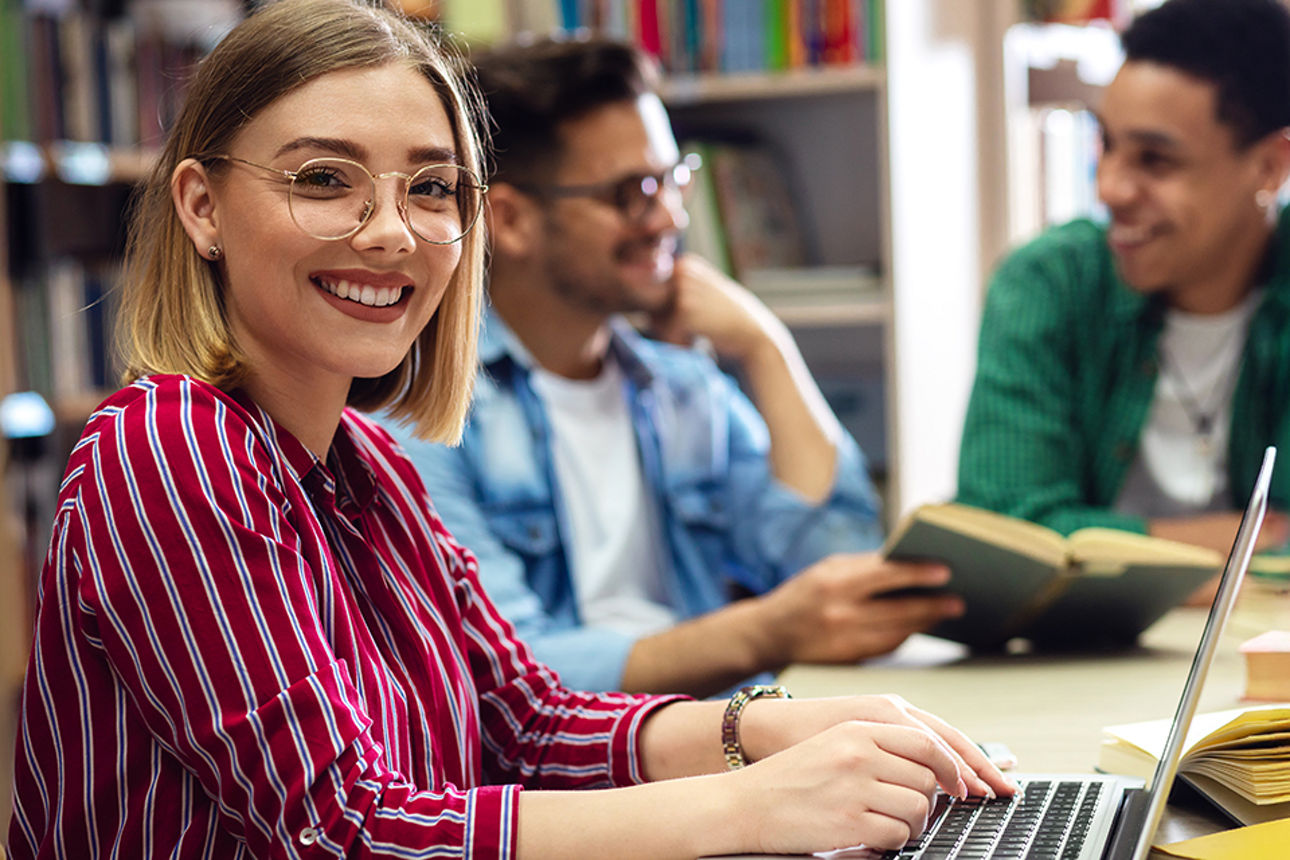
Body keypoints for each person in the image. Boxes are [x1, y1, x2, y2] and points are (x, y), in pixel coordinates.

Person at [5, 2, 1013, 857]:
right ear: (202, 206)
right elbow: (343, 826)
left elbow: (526, 722)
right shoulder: (168, 443)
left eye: (433, 186)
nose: (392, 229)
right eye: (324, 179)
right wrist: (752, 802)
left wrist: (776, 725)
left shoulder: (364, 461)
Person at [382, 36, 964, 699]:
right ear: (510, 219)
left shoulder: (682, 386)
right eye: (633, 192)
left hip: (723, 739)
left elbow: (833, 570)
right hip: (579, 777)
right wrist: (765, 632)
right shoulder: (420, 416)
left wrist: (767, 348)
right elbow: (508, 674)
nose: (671, 216)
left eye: (671, 179)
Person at [958, 0, 1290, 597]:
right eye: (1105, 143)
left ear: (1270, 165)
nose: (1108, 186)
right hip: (1068, 665)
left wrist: (1093, 549)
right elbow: (1002, 536)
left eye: (1155, 160)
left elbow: (1045, 546)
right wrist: (1235, 543)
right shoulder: (1049, 282)